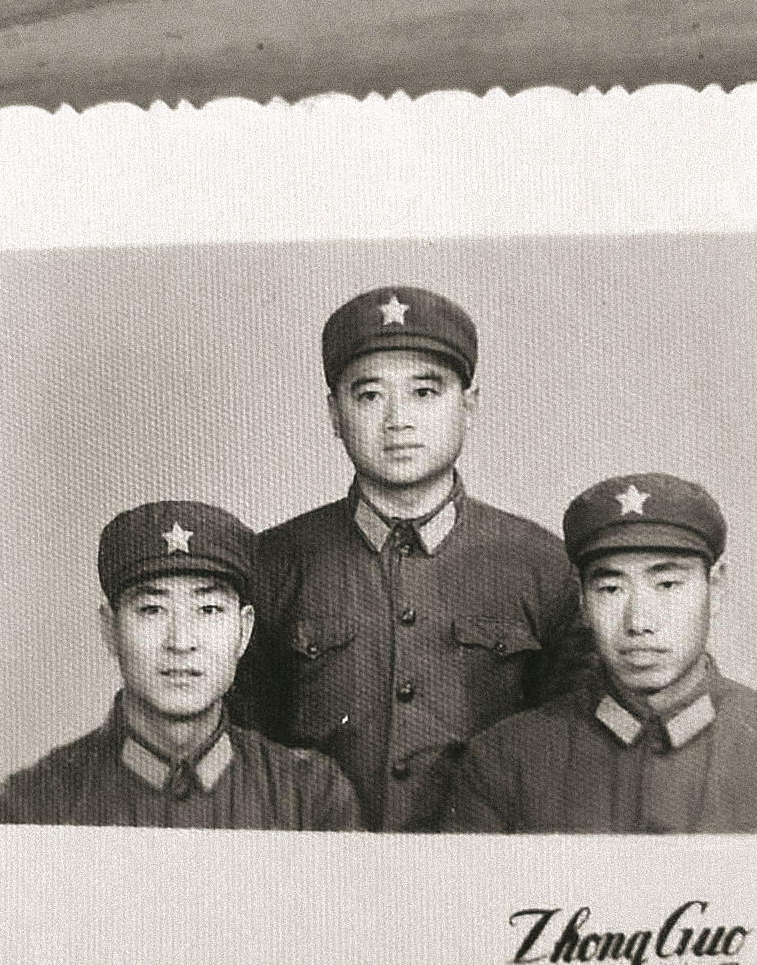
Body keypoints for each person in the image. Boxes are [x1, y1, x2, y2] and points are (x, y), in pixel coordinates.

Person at [236, 286, 589, 831]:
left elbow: (573, 760)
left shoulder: (543, 566)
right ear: (334, 413)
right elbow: (244, 762)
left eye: (424, 392)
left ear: (468, 406)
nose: (397, 420)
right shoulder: (271, 564)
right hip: (323, 867)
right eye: (369, 396)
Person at [447, 472, 757, 833]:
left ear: (715, 588)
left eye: (667, 585)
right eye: (611, 589)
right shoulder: (504, 763)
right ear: (582, 601)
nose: (638, 621)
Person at [0, 501, 363, 828]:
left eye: (209, 609)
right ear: (110, 629)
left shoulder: (311, 796)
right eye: (152, 609)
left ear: (244, 630)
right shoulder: (34, 802)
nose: (181, 642)